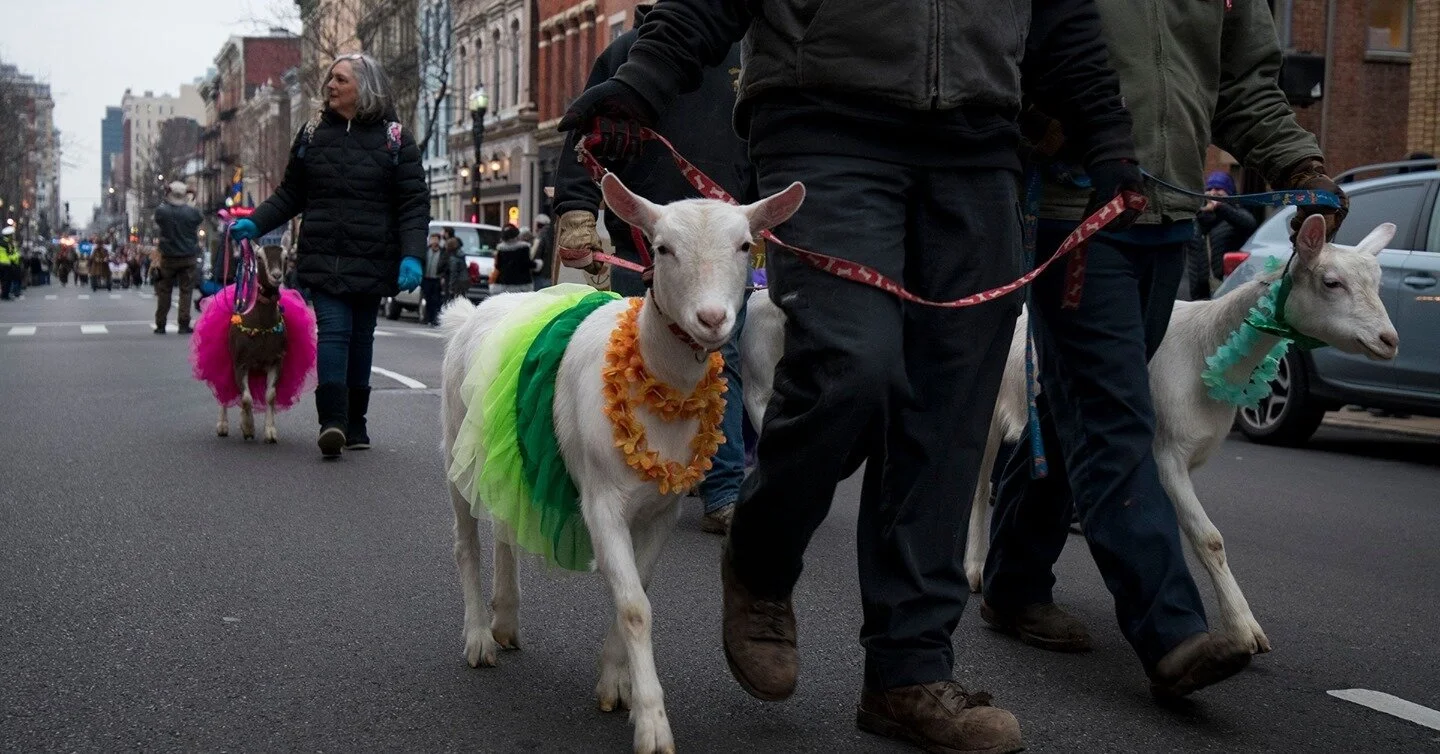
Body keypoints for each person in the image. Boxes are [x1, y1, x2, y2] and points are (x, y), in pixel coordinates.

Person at [560, 2, 1141, 750]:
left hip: (979, 141)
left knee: (953, 405)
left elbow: (1061, 13)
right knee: (850, 364)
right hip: (824, 121)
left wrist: (1107, 131)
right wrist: (642, 77)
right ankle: (763, 559)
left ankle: (909, 673)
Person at [982, 0, 1347, 700]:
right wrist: (1035, 120)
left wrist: (1299, 162)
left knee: (1076, 407)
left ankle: (1014, 583)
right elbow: (995, 41)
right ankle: (1171, 632)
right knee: (1116, 416)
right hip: (1076, 209)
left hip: (1169, 219)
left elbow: (1242, 83)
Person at [554, 4, 754, 534]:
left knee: (719, 356)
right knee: (633, 359)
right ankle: (631, 464)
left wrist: (763, 219)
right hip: (648, 245)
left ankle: (722, 483)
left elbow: (760, 141)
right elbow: (584, 138)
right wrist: (577, 211)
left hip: (724, 245)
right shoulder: (626, 55)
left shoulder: (744, 52)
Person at [231, 52, 429, 459]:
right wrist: (258, 220)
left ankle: (357, 424)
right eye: (329, 80)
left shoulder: (396, 139)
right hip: (323, 254)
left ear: (365, 87)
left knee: (362, 337)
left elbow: (413, 203)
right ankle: (333, 422)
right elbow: (291, 193)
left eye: (340, 80)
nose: (330, 86)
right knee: (335, 332)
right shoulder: (312, 133)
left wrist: (413, 256)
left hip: (375, 256)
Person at [1180, 171, 1258, 301]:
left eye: (1219, 189)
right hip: (1196, 295)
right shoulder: (1198, 219)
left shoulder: (1236, 216)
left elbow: (1249, 224)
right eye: (1209, 189)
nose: (1213, 192)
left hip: (1225, 289)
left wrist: (1220, 207)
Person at [152, 181, 205, 334]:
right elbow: (199, 217)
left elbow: (158, 215)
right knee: (186, 291)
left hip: (168, 257)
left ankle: (160, 323)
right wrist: (192, 198)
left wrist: (165, 195)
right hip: (188, 257)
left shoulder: (163, 212)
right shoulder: (192, 213)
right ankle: (183, 323)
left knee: (164, 291)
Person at [489, 224, 534, 294]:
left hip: (503, 283)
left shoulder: (500, 250)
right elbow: (527, 263)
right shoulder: (524, 248)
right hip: (522, 283)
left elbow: (498, 266)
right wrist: (537, 264)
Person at [421, 232, 445, 326]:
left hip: (436, 279)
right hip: (426, 278)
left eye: (436, 239)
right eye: (432, 239)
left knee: (436, 300)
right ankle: (427, 318)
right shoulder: (426, 250)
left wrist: (442, 276)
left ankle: (435, 319)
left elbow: (445, 265)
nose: (434, 241)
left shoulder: (442, 252)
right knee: (427, 299)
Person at [530, 214, 554, 289]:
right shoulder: (554, 235)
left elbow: (534, 255)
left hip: (540, 275)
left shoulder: (539, 238)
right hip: (550, 275)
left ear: (538, 225)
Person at [0, 227, 19, 300]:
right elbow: (11, 255)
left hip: (1, 264)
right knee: (7, 281)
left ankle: (3, 294)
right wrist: (16, 256)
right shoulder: (8, 244)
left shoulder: (1, 242)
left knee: (2, 281)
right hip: (6, 264)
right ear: (9, 235)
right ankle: (5, 295)